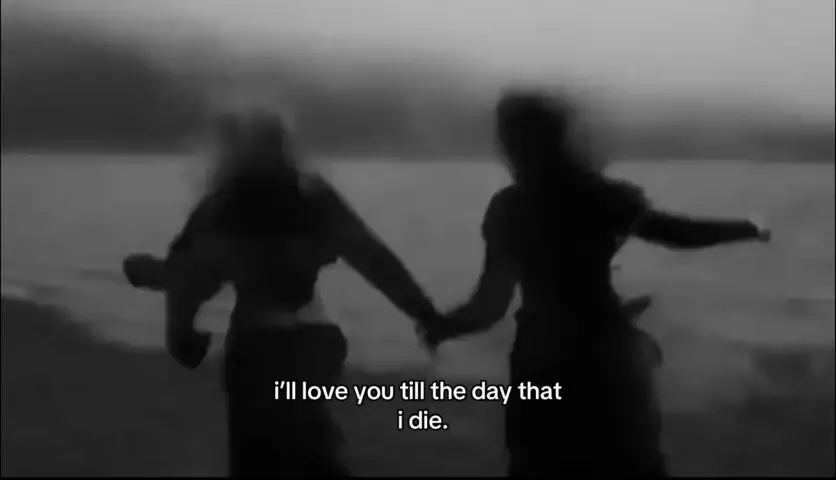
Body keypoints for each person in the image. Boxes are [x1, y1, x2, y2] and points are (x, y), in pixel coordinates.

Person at [429, 90, 771, 476]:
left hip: (541, 361)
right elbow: (678, 233)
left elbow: (490, 305)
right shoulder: (599, 197)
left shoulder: (509, 208)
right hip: (605, 355)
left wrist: (443, 325)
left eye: (506, 138)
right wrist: (750, 228)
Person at [122, 109, 443, 477]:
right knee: (310, 449)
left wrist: (178, 327)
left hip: (258, 346)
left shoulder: (224, 203)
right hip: (317, 341)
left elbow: (190, 276)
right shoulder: (315, 196)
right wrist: (425, 314)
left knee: (261, 458)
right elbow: (374, 260)